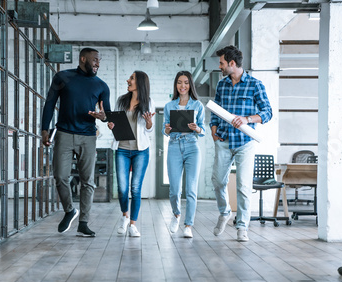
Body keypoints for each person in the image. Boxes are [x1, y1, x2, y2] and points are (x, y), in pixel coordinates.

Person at [41, 48, 110, 237]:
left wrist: (103, 117)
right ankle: (70, 210)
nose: (97, 63)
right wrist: (44, 129)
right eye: (95, 60)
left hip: (88, 136)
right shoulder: (63, 77)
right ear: (83, 59)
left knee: (88, 182)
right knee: (60, 176)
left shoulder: (102, 86)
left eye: (99, 61)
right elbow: (49, 103)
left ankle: (83, 223)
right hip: (63, 133)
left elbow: (108, 115)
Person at [210, 45, 273, 242]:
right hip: (223, 139)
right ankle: (225, 211)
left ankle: (242, 226)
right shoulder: (222, 85)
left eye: (221, 63)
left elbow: (267, 113)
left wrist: (248, 119)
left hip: (245, 142)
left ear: (232, 63)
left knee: (244, 186)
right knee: (218, 181)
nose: (219, 66)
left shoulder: (255, 85)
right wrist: (212, 127)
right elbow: (215, 110)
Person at [108, 71, 155, 237]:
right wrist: (111, 125)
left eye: (132, 78)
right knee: (122, 188)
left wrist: (149, 122)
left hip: (140, 151)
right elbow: (114, 121)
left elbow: (150, 129)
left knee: (135, 188)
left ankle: (133, 224)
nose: (128, 80)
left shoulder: (148, 102)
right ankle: (124, 217)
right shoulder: (121, 101)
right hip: (122, 148)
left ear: (140, 83)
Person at [162, 71, 205, 238]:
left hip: (192, 147)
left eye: (186, 82)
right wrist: (165, 130)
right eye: (179, 82)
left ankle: (188, 225)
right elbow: (164, 129)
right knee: (174, 190)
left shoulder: (197, 106)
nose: (183, 86)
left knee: (191, 190)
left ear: (190, 85)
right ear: (176, 85)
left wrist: (197, 128)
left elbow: (203, 130)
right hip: (174, 146)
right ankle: (176, 214)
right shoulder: (169, 106)